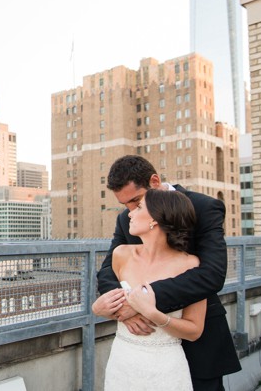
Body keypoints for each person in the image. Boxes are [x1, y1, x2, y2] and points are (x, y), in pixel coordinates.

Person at [97, 155, 241, 390]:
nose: (131, 211)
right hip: (139, 347)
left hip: (198, 336)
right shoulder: (126, 219)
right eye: (125, 205)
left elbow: (212, 274)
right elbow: (107, 271)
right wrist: (125, 309)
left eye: (136, 201)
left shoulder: (204, 206)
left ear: (155, 181)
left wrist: (145, 301)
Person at [92, 188, 204, 390]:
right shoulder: (121, 254)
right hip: (122, 362)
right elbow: (115, 301)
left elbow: (194, 331)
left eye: (139, 207)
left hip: (165, 369)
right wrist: (97, 310)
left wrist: (153, 314)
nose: (130, 213)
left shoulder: (190, 265)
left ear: (155, 219)